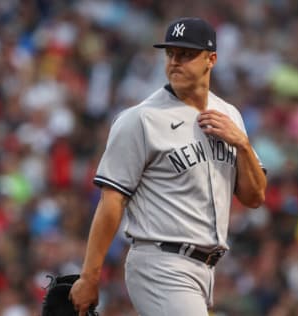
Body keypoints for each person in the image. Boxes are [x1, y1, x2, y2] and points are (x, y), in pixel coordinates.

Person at [69, 17, 267, 316]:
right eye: (171, 53)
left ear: (211, 59)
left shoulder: (230, 115)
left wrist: (243, 144)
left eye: (186, 54)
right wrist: (89, 277)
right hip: (160, 263)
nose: (175, 62)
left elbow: (255, 197)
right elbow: (111, 201)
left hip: (205, 269)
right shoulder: (141, 119)